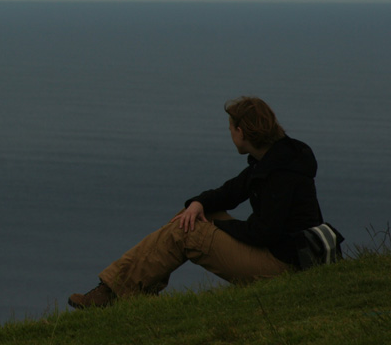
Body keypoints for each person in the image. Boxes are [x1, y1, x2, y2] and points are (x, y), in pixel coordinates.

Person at [68, 96, 325, 309]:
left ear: (241, 132)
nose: (230, 133)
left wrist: (214, 226)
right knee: (191, 215)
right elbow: (230, 192)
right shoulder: (278, 157)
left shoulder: (278, 173)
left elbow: (264, 232)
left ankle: (112, 293)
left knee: (187, 231)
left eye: (230, 129)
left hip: (282, 266)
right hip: (290, 256)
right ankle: (129, 291)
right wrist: (199, 204)